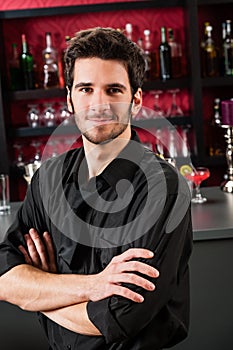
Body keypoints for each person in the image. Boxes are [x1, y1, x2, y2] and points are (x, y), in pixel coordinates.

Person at [0, 27, 192, 349]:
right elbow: (4, 278)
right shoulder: (47, 178)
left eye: (113, 90)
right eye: (86, 89)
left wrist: (43, 294)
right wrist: (93, 286)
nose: (98, 104)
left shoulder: (164, 191)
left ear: (136, 100)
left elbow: (119, 317)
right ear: (69, 100)